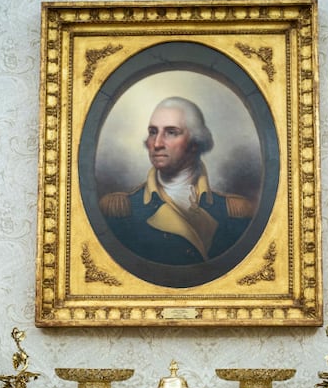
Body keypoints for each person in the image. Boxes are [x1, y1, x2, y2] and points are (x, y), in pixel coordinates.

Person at [99, 96, 254, 265]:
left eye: (171, 132)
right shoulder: (120, 211)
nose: (157, 143)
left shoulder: (235, 212)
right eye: (153, 132)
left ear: (195, 142)